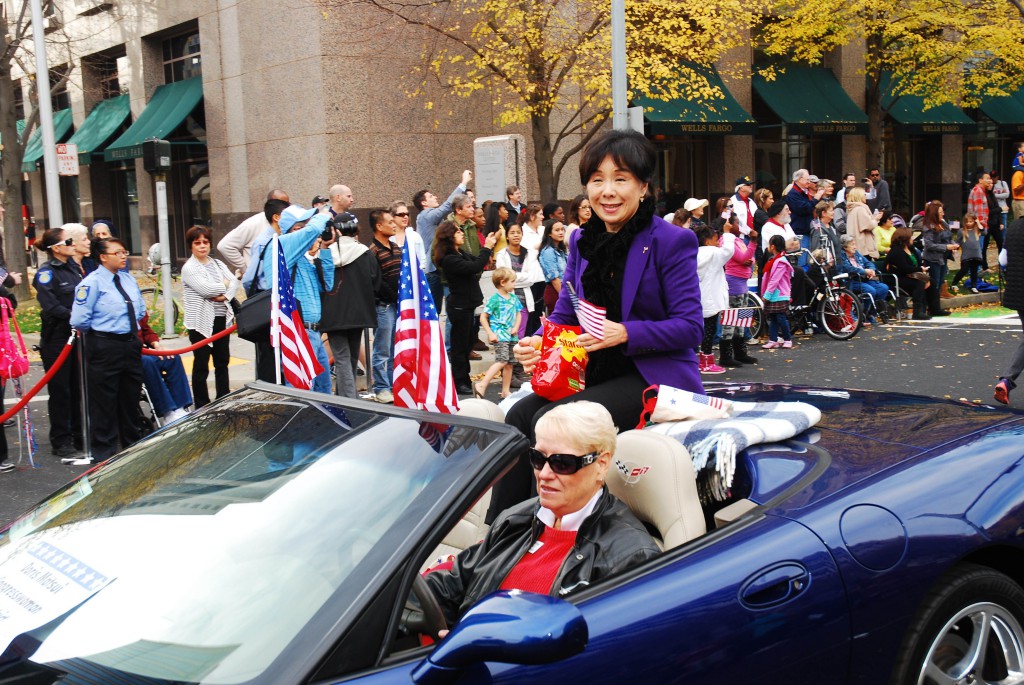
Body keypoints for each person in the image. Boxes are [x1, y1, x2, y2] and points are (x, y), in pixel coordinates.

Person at [494, 129, 703, 521]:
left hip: (651, 376)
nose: (608, 190)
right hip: (593, 369)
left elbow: (691, 327)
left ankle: (546, 526)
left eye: (620, 179)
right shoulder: (581, 241)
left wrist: (626, 332)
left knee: (551, 424)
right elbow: (566, 314)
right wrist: (538, 341)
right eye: (597, 180)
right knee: (518, 416)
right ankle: (501, 532)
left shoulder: (671, 241)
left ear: (643, 187)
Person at [422, 401, 660, 625]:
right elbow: (453, 584)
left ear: (601, 465)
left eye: (562, 463)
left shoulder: (630, 556)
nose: (544, 473)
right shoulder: (515, 519)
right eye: (538, 458)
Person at [69, 237, 147, 465]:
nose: (123, 256)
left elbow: (140, 309)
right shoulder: (92, 283)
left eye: (125, 252)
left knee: (130, 397)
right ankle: (104, 453)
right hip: (105, 345)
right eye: (118, 253)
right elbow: (80, 319)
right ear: (103, 257)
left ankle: (132, 448)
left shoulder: (128, 279)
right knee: (104, 401)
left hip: (129, 343)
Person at [256, 205, 338, 393]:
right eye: (301, 227)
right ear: (291, 231)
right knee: (302, 393)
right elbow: (314, 229)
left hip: (313, 333)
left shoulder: (300, 258)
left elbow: (328, 285)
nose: (308, 233)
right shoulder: (281, 245)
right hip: (298, 331)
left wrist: (325, 249)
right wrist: (324, 215)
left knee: (324, 391)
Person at [34, 226, 85, 458]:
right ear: (56, 248)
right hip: (57, 339)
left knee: (77, 387)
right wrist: (77, 317)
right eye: (69, 241)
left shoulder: (74, 268)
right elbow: (51, 306)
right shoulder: (46, 273)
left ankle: (78, 434)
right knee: (61, 390)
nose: (73, 244)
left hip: (76, 336)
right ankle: (61, 440)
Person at [320, 211, 381, 399]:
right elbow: (375, 282)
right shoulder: (364, 252)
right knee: (351, 357)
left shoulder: (326, 255)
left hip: (333, 313)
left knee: (342, 359)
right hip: (359, 312)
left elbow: (321, 280)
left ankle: (347, 400)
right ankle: (347, 398)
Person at [434, 221, 499, 395]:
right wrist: (487, 248)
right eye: (457, 232)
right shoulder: (449, 259)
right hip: (459, 307)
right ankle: (459, 381)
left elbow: (477, 262)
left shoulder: (459, 253)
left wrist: (487, 249)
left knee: (468, 344)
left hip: (470, 305)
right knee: (459, 347)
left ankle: (464, 377)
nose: (462, 233)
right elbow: (476, 266)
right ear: (449, 236)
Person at [181, 225, 238, 408]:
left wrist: (223, 295)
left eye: (205, 242)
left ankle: (223, 396)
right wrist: (224, 285)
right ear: (191, 246)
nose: (202, 246)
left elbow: (234, 283)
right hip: (200, 323)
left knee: (222, 361)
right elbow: (206, 290)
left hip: (222, 320)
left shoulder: (218, 264)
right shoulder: (189, 268)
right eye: (197, 243)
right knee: (201, 364)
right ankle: (202, 403)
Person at [415, 170, 473, 309]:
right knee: (433, 311)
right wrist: (463, 182)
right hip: (432, 271)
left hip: (439, 269)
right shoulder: (426, 215)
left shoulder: (432, 217)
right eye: (430, 196)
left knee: (446, 308)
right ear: (424, 203)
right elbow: (447, 206)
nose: (435, 197)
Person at [474, 267, 523, 399]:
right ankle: (482, 384)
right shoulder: (494, 299)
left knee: (509, 363)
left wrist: (516, 327)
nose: (514, 284)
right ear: (502, 282)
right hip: (500, 335)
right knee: (502, 360)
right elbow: (483, 317)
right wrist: (490, 333)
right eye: (512, 281)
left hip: (512, 335)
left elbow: (518, 314)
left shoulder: (513, 298)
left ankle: (505, 390)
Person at [216, 189, 290, 274]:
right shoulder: (254, 222)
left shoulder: (288, 222)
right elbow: (225, 245)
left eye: (288, 204)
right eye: (283, 204)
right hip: (260, 282)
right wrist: (246, 269)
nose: (287, 208)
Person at [696, 224, 736, 374]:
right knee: (710, 330)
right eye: (715, 239)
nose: (718, 241)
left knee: (705, 329)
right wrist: (727, 233)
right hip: (712, 298)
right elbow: (729, 251)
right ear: (707, 241)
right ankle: (707, 362)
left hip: (701, 296)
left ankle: (703, 361)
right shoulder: (713, 253)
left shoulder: (695, 253)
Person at [137, 313, 192, 424]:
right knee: (148, 362)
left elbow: (146, 331)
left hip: (145, 351)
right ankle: (167, 411)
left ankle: (180, 407)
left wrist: (156, 345)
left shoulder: (136, 305)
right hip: (130, 352)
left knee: (173, 357)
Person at [721, 216, 758, 367]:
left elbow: (750, 258)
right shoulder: (726, 241)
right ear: (729, 224)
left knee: (741, 319)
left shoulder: (739, 241)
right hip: (733, 282)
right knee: (730, 320)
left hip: (743, 283)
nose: (740, 226)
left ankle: (740, 352)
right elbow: (743, 257)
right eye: (737, 223)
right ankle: (726, 355)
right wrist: (753, 243)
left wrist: (749, 259)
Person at [995, 218, 1024, 404]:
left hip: (1017, 292)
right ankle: (1007, 379)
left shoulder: (1014, 226)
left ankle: (1007, 380)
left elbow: (1002, 259)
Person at [838, 234, 890, 325]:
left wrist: (871, 270)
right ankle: (862, 314)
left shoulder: (856, 253)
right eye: (852, 245)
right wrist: (864, 271)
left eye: (855, 244)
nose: (855, 247)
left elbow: (868, 263)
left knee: (883, 288)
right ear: (845, 247)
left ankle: (871, 314)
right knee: (870, 291)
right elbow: (848, 269)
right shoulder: (841, 256)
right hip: (852, 280)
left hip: (864, 279)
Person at [920, 200, 958, 314]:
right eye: (940, 212)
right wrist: (947, 247)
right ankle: (933, 308)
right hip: (932, 259)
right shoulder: (928, 227)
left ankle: (936, 307)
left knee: (940, 281)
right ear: (934, 213)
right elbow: (929, 245)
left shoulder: (943, 223)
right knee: (934, 283)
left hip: (943, 257)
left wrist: (953, 244)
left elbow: (948, 237)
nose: (943, 214)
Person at [885, 227, 931, 320]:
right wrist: (920, 269)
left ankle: (932, 309)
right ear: (904, 239)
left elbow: (918, 262)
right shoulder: (896, 251)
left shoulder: (911, 249)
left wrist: (921, 269)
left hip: (907, 275)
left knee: (930, 281)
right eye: (911, 237)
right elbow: (903, 268)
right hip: (895, 278)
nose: (912, 239)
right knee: (919, 283)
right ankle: (917, 312)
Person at [761, 234, 794, 350]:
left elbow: (775, 280)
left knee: (780, 317)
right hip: (774, 295)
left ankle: (787, 339)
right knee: (773, 318)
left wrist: (766, 295)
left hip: (779, 294)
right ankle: (773, 339)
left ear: (773, 246)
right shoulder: (774, 260)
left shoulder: (781, 261)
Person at [539, 219, 568, 314]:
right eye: (557, 230)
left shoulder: (561, 249)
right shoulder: (548, 251)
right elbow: (554, 279)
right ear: (549, 234)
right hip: (555, 291)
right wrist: (565, 297)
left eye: (562, 229)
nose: (561, 232)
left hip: (565, 289)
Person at [951, 213, 984, 293]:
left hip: (976, 255)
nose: (969, 223)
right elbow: (958, 242)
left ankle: (973, 286)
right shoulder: (961, 231)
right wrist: (955, 247)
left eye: (971, 221)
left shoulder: (976, 230)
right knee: (964, 270)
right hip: (966, 256)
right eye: (967, 222)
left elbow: (984, 231)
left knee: (974, 271)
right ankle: (954, 283)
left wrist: (978, 222)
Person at [844, 187, 879, 260]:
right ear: (859, 196)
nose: (866, 196)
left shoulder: (852, 209)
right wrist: (876, 219)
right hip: (863, 247)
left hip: (856, 244)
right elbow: (869, 225)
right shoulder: (861, 209)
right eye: (864, 194)